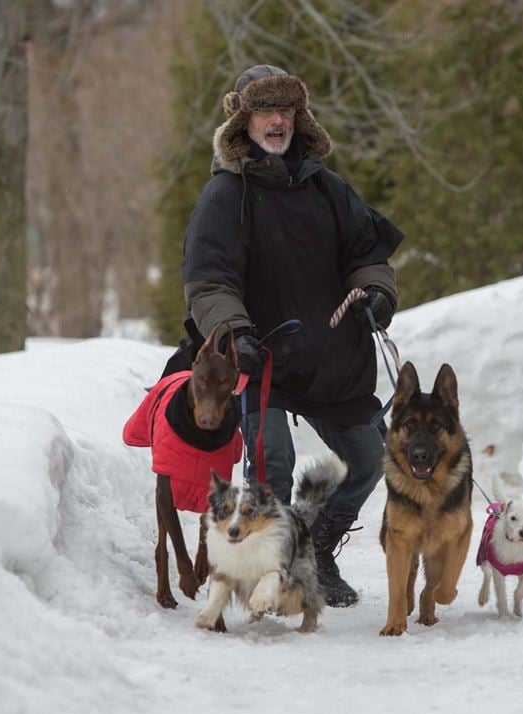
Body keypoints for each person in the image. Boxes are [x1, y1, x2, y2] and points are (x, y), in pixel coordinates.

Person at [178, 64, 403, 607]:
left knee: (371, 460)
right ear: (244, 119)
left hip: (333, 359)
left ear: (299, 118)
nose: (277, 120)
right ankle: (265, 571)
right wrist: (234, 333)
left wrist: (375, 293)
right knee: (272, 463)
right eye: (265, 110)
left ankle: (315, 549)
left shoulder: (328, 188)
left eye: (286, 110)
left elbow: (366, 256)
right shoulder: (226, 195)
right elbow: (209, 282)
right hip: (262, 359)